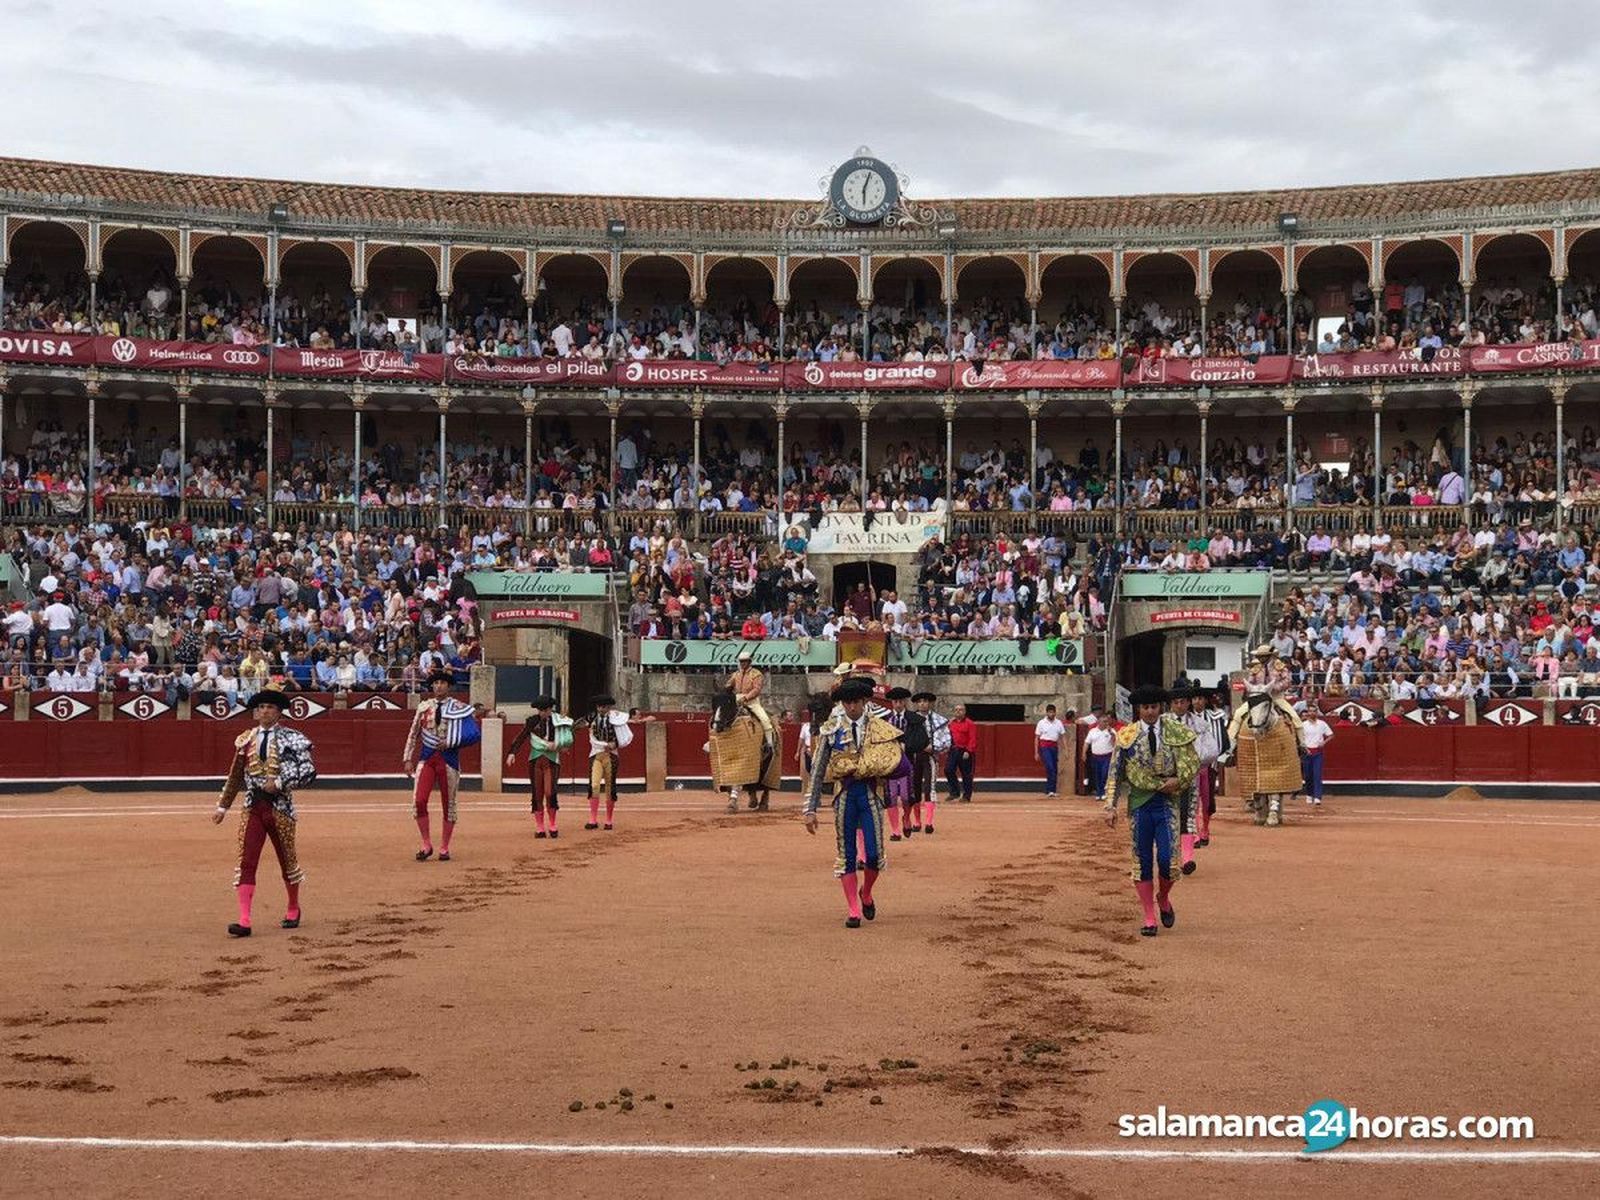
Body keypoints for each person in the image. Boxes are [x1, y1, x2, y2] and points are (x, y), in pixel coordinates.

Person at [801, 676, 907, 928]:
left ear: (864, 701)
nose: (850, 707)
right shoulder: (831, 729)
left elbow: (894, 762)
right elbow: (817, 770)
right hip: (844, 795)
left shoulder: (880, 727)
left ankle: (866, 892)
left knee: (873, 854)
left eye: (855, 702)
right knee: (846, 854)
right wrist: (810, 808)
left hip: (870, 794)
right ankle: (853, 910)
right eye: (846, 703)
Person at [213, 688, 317, 938]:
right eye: (260, 707)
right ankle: (245, 920)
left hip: (280, 808)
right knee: (246, 861)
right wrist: (223, 806)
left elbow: (308, 771)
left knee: (287, 860)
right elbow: (236, 774)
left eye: (269, 707)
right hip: (253, 807)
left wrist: (280, 782)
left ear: (279, 712)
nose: (264, 711)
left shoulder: (293, 737)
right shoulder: (245, 739)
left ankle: (293, 907)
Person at [1101, 684, 1198, 937]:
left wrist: (1180, 780)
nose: (1150, 712)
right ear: (1138, 709)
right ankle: (1148, 916)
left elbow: (1191, 764)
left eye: (1154, 707)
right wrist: (1110, 805)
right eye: (1145, 707)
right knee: (1142, 860)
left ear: (1160, 707)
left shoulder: (1178, 732)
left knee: (1168, 861)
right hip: (1140, 803)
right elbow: (1115, 772)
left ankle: (1163, 898)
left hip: (1167, 802)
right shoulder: (1127, 736)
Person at [403, 669, 483, 862]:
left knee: (449, 804)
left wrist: (450, 742)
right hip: (427, 758)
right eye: (436, 683)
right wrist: (407, 758)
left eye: (442, 683)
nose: (438, 686)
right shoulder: (423, 707)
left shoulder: (458, 707)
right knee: (419, 801)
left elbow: (474, 734)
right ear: (432, 686)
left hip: (449, 760)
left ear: (449, 686)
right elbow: (413, 734)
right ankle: (426, 844)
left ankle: (445, 847)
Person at [506, 694, 572, 839]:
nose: (542, 713)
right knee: (537, 794)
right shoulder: (532, 721)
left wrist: (562, 746)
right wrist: (512, 753)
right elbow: (521, 736)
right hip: (535, 760)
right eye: (540, 710)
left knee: (550, 792)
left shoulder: (558, 721)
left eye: (545, 710)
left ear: (550, 709)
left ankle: (553, 824)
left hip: (552, 760)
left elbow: (566, 739)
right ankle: (540, 827)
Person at [1171, 685, 1220, 874]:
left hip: (1190, 777)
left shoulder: (1199, 724)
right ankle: (1172, 856)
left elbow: (1212, 750)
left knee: (1187, 816)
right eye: (1175, 702)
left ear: (1188, 702)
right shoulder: (1163, 723)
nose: (1179, 705)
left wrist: (1192, 763)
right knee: (1168, 817)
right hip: (1165, 779)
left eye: (1182, 702)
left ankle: (1187, 858)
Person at [584, 693, 633, 830]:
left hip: (611, 755)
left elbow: (627, 737)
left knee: (610, 787)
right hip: (596, 754)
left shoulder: (616, 718)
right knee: (594, 785)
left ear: (609, 707)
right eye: (599, 706)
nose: (601, 709)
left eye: (604, 706)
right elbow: (587, 734)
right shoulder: (591, 717)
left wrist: (615, 744)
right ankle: (593, 820)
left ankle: (609, 820)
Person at [910, 691, 948, 834]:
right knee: (914, 789)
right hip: (913, 757)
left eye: (925, 701)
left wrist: (934, 747)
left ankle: (929, 822)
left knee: (929, 788)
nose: (922, 704)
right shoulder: (910, 719)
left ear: (930, 703)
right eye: (919, 702)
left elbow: (946, 740)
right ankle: (917, 822)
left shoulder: (938, 720)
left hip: (930, 756)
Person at [883, 687, 915, 839]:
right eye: (895, 701)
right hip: (890, 764)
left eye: (901, 701)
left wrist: (906, 745)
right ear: (892, 702)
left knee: (906, 796)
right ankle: (895, 830)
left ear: (905, 702)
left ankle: (907, 817)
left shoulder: (913, 719)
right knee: (891, 797)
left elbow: (918, 739)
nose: (898, 704)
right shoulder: (886, 719)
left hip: (907, 762)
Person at [726, 649, 775, 742]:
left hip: (752, 702)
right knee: (721, 716)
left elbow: (756, 689)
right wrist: (726, 688)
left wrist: (746, 697)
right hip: (736, 700)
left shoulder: (756, 674)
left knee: (765, 721)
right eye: (741, 661)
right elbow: (729, 685)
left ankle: (770, 744)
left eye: (745, 661)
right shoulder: (736, 674)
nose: (742, 663)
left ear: (749, 662)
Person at [1300, 703, 1334, 806]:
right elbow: (1299, 738)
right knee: (1308, 776)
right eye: (1310, 711)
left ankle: (1317, 797)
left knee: (1317, 775)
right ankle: (1309, 795)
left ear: (1317, 713)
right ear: (1308, 713)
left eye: (1314, 711)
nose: (1312, 713)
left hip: (1318, 752)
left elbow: (1331, 735)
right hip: (1307, 752)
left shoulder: (1322, 724)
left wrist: (1323, 743)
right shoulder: (1303, 725)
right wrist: (1304, 747)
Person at [1034, 703, 1067, 797]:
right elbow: (1037, 738)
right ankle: (1050, 789)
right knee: (1050, 767)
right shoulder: (1041, 723)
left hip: (1054, 746)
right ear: (1047, 713)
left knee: (1054, 768)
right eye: (1050, 712)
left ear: (1055, 713)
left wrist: (1066, 749)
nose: (1051, 714)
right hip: (1044, 746)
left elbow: (1063, 736)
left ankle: (1051, 790)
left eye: (1053, 712)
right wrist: (1036, 752)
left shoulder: (1059, 722)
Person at [1082, 707, 1116, 800]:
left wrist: (1111, 734)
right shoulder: (1092, 731)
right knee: (1097, 775)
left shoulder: (1111, 731)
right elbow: (1086, 743)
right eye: (1104, 721)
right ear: (1099, 722)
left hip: (1107, 756)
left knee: (1105, 774)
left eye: (1107, 721)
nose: (1106, 723)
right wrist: (1084, 753)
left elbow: (1115, 744)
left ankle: (1104, 792)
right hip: (1095, 756)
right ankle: (1099, 792)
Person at [946, 703, 977, 802]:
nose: (958, 711)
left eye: (961, 710)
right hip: (953, 750)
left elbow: (973, 738)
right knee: (948, 770)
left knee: (966, 774)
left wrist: (969, 750)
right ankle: (955, 792)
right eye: (956, 710)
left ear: (965, 712)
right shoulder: (950, 724)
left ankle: (966, 796)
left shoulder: (970, 723)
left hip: (965, 751)